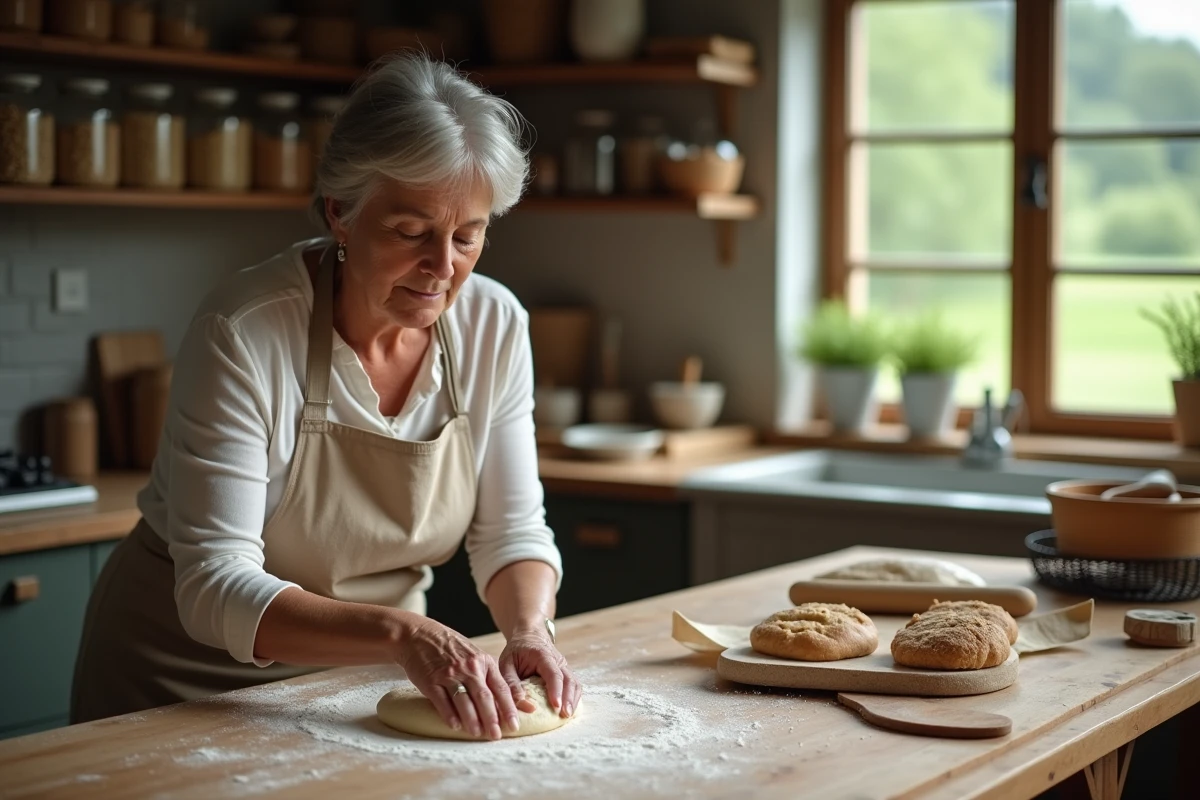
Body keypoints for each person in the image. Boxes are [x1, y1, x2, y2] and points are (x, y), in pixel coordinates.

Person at [72, 54, 579, 741]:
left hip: (357, 684)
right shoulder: (246, 330)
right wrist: (403, 633)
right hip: (180, 683)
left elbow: (511, 532)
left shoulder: (493, 324)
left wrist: (529, 631)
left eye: (468, 236)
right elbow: (213, 585)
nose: (442, 267)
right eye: (410, 232)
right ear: (341, 212)